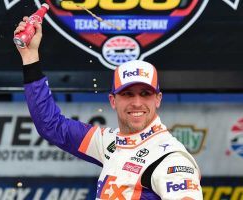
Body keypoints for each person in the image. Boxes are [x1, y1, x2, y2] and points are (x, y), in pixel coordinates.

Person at [14, 17, 203, 200]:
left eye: (145, 94)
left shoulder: (171, 159)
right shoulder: (109, 141)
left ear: (158, 99)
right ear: (113, 100)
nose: (137, 102)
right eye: (128, 94)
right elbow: (51, 126)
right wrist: (30, 57)